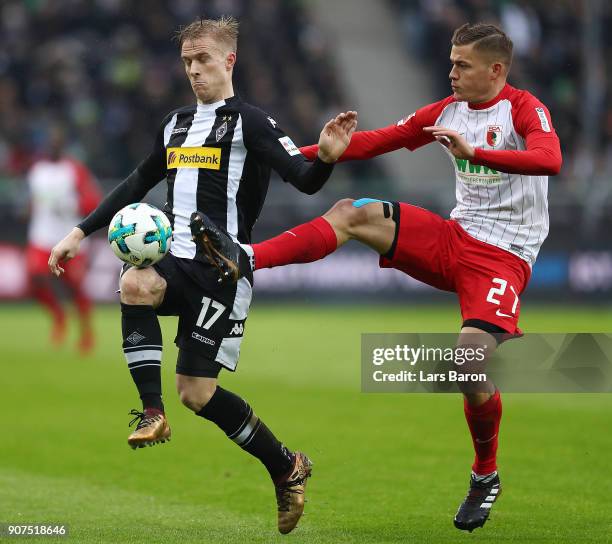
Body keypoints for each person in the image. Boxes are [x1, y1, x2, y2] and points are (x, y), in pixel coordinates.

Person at [193, 23, 562, 533]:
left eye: (463, 65)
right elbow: (378, 141)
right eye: (451, 62)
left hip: (504, 256)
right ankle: (248, 258)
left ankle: (484, 474)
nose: (450, 72)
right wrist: (293, 153)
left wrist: (475, 153)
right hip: (456, 237)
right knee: (353, 211)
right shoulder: (445, 112)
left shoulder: (523, 108)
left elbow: (551, 159)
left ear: (496, 70)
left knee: (467, 365)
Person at [48, 16, 357, 534]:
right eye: (187, 61)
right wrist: (81, 232)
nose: (194, 70)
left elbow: (303, 180)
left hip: (223, 268)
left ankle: (286, 466)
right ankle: (151, 411)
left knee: (198, 392)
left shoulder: (252, 123)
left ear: (229, 60)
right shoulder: (174, 126)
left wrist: (325, 159)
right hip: (174, 260)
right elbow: (137, 182)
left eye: (204, 59)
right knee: (134, 281)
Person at [27, 125, 101, 353]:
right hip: (41, 237)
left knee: (75, 288)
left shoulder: (74, 170)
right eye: (50, 142)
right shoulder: (36, 170)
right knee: (34, 278)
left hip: (69, 238)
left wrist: (72, 205)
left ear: (63, 146)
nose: (53, 146)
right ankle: (59, 316)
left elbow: (93, 201)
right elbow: (34, 201)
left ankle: (86, 333)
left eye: (57, 143)